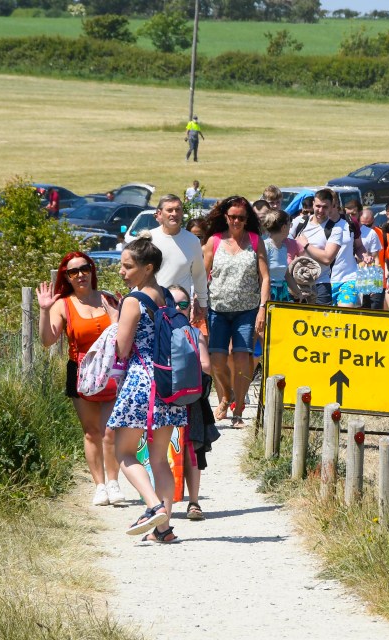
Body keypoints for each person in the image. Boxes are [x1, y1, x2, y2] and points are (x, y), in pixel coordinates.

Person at [108, 237, 187, 543]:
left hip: (141, 381)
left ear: (147, 267)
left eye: (127, 266)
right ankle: (164, 530)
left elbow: (123, 348)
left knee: (124, 452)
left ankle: (153, 507)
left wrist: (115, 320)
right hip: (169, 382)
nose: (121, 271)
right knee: (159, 458)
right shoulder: (167, 297)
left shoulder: (133, 301)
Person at [36, 252, 124, 507]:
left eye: (84, 269)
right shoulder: (63, 304)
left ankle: (114, 482)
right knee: (91, 432)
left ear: (92, 270)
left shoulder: (108, 299)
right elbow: (47, 340)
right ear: (67, 277)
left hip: (111, 370)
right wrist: (43, 311)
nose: (80, 275)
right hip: (80, 372)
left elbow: (122, 333)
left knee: (110, 431)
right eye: (73, 272)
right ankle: (99, 486)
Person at [203, 196, 271, 426]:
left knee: (242, 359)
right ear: (225, 217)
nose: (237, 221)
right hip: (218, 309)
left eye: (241, 217)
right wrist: (199, 305)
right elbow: (202, 276)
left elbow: (265, 277)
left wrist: (262, 308)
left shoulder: (255, 241)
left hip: (247, 310)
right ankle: (226, 393)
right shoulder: (213, 241)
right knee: (217, 360)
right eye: (232, 217)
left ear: (246, 219)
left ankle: (238, 409)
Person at [168, 285, 215, 522]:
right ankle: (162, 504)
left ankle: (194, 502)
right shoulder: (160, 333)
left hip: (191, 400)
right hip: (165, 400)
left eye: (183, 304)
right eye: (172, 303)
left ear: (190, 309)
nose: (177, 308)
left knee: (192, 451)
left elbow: (206, 366)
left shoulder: (196, 335)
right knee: (164, 452)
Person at [149, 195, 208, 329]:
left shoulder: (193, 241)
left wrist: (202, 303)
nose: (174, 214)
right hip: (151, 306)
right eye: (169, 210)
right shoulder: (148, 238)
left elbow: (199, 275)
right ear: (159, 213)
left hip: (179, 310)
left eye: (178, 210)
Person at [293, 188, 350, 306]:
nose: (320, 210)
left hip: (320, 284)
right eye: (318, 206)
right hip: (296, 283)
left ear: (331, 207)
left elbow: (327, 258)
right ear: (313, 204)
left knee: (320, 322)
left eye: (325, 207)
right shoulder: (300, 222)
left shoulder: (335, 229)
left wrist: (306, 245)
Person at [359, 207, 389, 309]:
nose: (365, 228)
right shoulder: (354, 235)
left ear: (374, 222)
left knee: (375, 314)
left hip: (377, 282)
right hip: (357, 280)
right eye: (363, 225)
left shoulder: (384, 236)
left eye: (368, 225)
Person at [262, 208, 301, 302]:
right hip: (268, 293)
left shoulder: (283, 248)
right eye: (289, 225)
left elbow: (286, 275)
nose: (290, 228)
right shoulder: (265, 247)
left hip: (282, 293)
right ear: (284, 227)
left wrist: (299, 293)